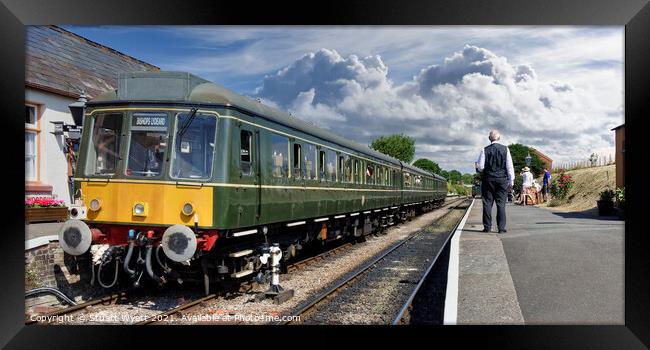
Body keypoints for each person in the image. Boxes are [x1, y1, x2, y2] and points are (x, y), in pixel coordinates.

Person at [475, 129, 515, 233]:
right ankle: (501, 228)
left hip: (488, 179)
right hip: (502, 179)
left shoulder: (484, 150)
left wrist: (478, 166)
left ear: (489, 138)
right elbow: (509, 167)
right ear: (499, 138)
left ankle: (487, 227)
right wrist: (511, 182)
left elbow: (481, 167)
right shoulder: (505, 149)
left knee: (487, 203)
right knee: (501, 204)